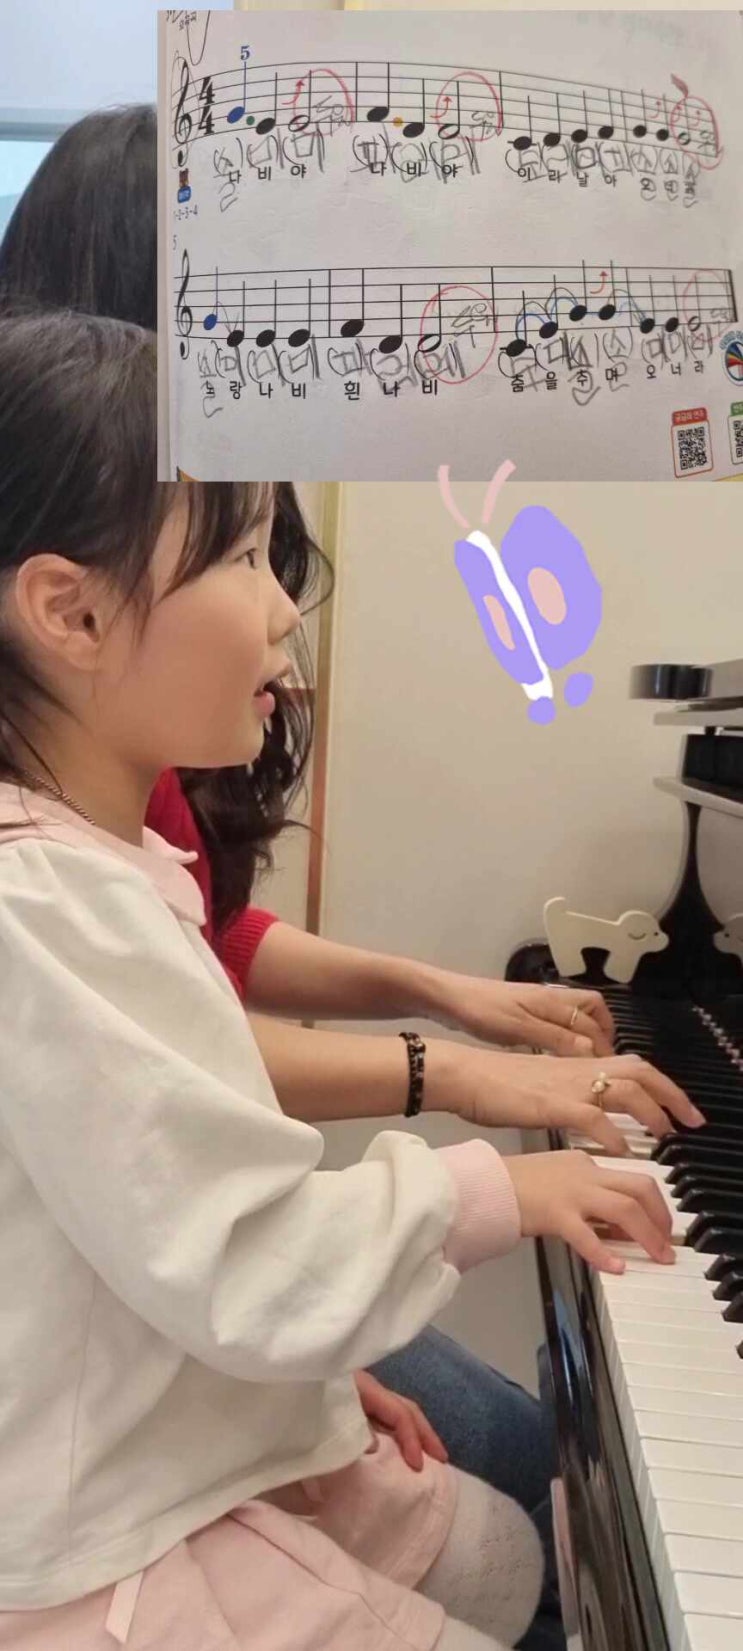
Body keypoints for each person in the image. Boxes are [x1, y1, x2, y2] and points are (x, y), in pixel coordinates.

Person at [0, 114, 704, 1651]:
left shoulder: (94, 830)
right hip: (91, 1518)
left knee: (510, 1525)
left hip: (167, 1364)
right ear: (71, 607)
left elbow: (181, 1091)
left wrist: (300, 1380)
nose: (284, 614)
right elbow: (214, 1210)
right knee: (534, 1512)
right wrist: (481, 1138)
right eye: (242, 557)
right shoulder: (46, 892)